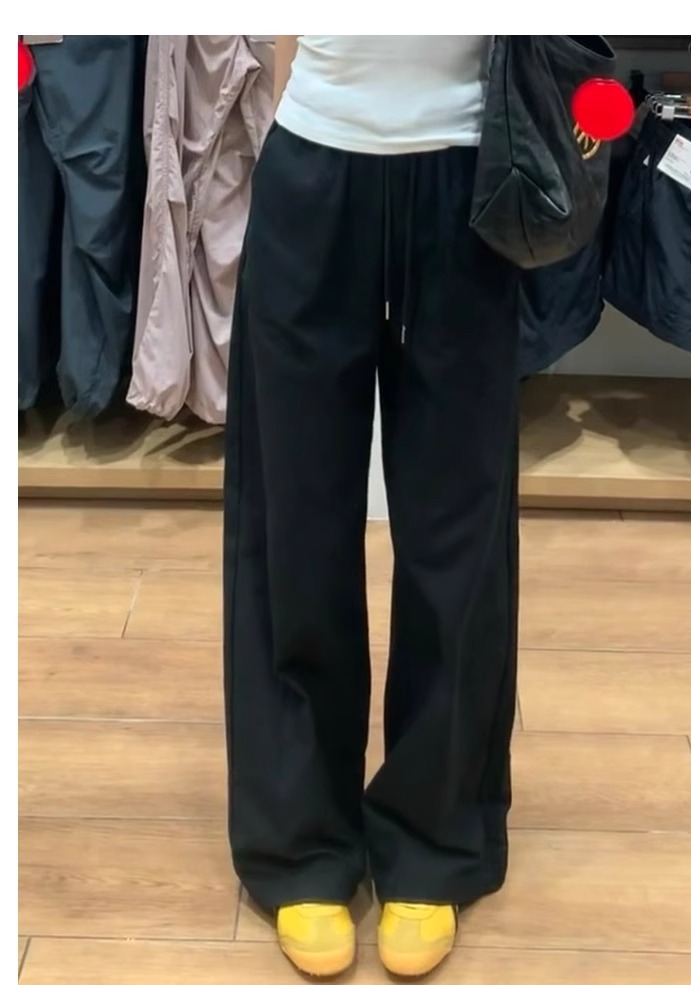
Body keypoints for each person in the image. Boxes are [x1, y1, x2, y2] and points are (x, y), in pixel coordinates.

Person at [223, 35, 520, 978]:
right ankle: (300, 835)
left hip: (473, 179)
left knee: (457, 527)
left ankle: (434, 834)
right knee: (294, 519)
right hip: (315, 163)